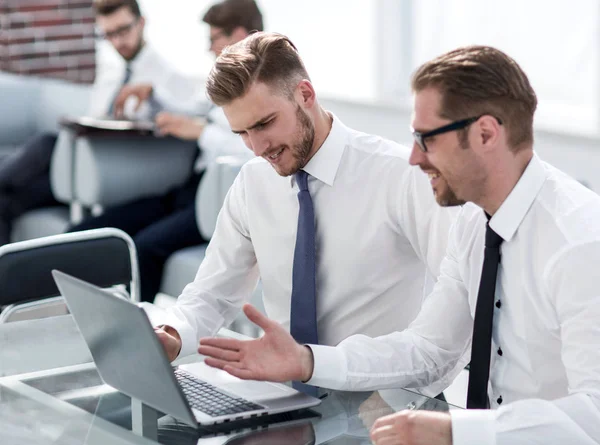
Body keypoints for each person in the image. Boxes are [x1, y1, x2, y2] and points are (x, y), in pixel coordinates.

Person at [198, 45, 600, 445]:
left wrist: (456, 431)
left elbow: (596, 412)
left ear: (485, 134)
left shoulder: (579, 242)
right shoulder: (475, 222)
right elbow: (429, 349)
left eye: (427, 139)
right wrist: (308, 360)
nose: (413, 158)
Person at [155, 32, 464, 400]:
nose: (257, 148)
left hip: (385, 403)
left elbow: (459, 315)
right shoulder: (253, 182)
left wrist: (409, 400)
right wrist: (171, 335)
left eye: (265, 123)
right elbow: (212, 294)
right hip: (287, 401)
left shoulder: (399, 175)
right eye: (242, 133)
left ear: (305, 94)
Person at [68, 0, 263, 303]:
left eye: (214, 39)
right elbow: (199, 108)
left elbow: (256, 152)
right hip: (189, 189)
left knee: (144, 246)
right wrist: (153, 93)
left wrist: (200, 132)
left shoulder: (264, 89)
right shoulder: (228, 83)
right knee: (95, 227)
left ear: (238, 34)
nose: (210, 48)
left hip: (219, 199)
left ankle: (139, 336)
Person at [0, 0, 191, 245]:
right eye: (109, 34)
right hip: (81, 172)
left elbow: (190, 114)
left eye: (123, 30)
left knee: (46, 143)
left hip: (115, 172)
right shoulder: (110, 71)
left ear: (141, 23)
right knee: (4, 200)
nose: (118, 41)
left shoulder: (166, 76)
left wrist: (154, 97)